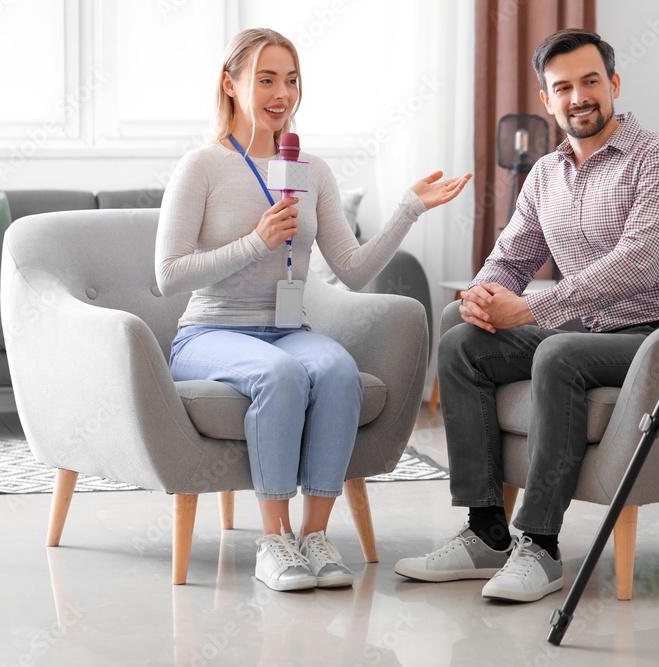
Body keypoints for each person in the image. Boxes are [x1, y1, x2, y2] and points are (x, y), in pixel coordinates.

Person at [395, 29, 659, 602]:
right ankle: (486, 532)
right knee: (460, 342)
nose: (579, 97)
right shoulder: (545, 174)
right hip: (592, 331)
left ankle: (540, 548)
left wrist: (532, 305)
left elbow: (636, 266)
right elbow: (511, 256)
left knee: (559, 351)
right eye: (563, 87)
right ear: (547, 100)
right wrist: (481, 296)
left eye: (591, 81)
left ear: (614, 84)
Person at [156, 28, 470, 593]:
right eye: (267, 79)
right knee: (279, 375)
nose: (283, 93)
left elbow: (350, 269)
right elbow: (168, 274)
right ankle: (272, 542)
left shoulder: (309, 170)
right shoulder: (200, 167)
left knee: (336, 370)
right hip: (210, 333)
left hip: (286, 327)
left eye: (292, 80)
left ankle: (314, 537)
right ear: (230, 84)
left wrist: (408, 209)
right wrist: (254, 241)